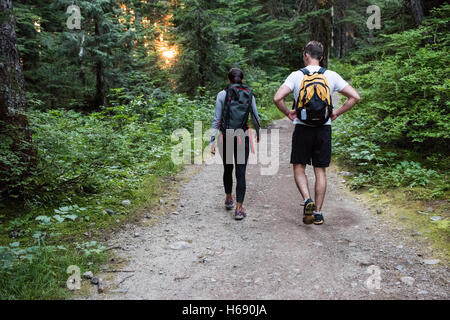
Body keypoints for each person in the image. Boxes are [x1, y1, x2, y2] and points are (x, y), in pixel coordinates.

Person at [273, 41, 360, 225]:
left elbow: (277, 98)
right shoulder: (331, 75)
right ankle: (318, 213)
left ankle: (307, 200)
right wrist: (336, 112)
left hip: (303, 128)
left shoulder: (296, 76)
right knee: (320, 171)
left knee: (299, 167)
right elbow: (355, 97)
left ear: (306, 55)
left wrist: (287, 112)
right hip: (323, 128)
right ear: (321, 57)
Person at [210, 68, 261, 220]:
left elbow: (216, 119)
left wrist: (212, 140)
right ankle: (239, 209)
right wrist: (258, 133)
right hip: (242, 136)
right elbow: (255, 116)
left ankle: (228, 198)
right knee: (241, 172)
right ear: (242, 80)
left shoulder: (222, 94)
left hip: (226, 136)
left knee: (227, 168)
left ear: (228, 79)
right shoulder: (249, 94)